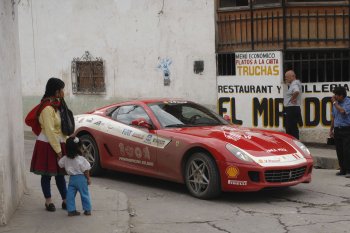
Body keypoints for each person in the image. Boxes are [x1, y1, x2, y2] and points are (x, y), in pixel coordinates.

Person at [30, 77, 68, 212]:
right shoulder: (47, 108)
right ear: (55, 90)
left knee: (60, 174)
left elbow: (62, 126)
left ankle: (65, 200)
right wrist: (58, 150)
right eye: (61, 89)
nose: (63, 92)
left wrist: (66, 143)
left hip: (58, 143)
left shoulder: (58, 105)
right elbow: (50, 131)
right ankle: (48, 201)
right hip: (47, 144)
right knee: (46, 174)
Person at [58, 137, 92, 216]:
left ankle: (71, 210)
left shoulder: (65, 158)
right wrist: (88, 179)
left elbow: (60, 164)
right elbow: (86, 170)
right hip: (81, 179)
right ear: (78, 148)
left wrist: (59, 157)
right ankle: (87, 210)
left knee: (70, 195)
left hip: (72, 179)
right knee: (84, 194)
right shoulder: (81, 159)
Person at [329, 86, 350, 177]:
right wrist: (331, 129)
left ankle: (349, 170)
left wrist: (334, 103)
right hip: (337, 130)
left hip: (346, 129)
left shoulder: (348, 102)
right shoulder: (335, 104)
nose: (335, 97)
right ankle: (342, 169)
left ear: (342, 95)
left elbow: (342, 111)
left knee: (347, 151)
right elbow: (334, 117)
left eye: (337, 95)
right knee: (339, 151)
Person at [283, 70, 303, 139]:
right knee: (292, 128)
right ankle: (294, 143)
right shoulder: (294, 83)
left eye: (287, 77)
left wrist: (292, 98)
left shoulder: (294, 84)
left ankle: (294, 144)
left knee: (290, 129)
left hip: (292, 109)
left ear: (293, 76)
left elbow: (296, 91)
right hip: (294, 109)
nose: (286, 78)